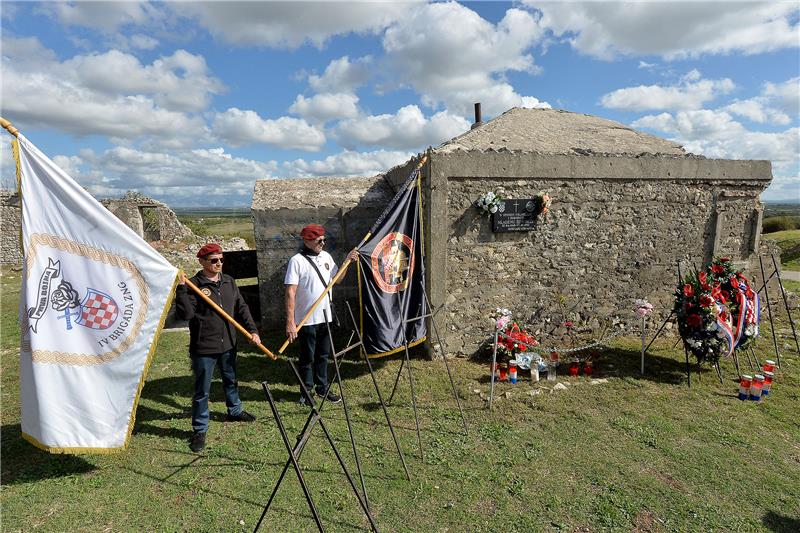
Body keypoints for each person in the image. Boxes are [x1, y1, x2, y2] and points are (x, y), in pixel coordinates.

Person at [175, 243, 261, 453]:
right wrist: (181, 289)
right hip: (204, 346)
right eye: (214, 260)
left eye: (221, 260)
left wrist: (253, 330)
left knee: (231, 379)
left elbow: (241, 307)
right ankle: (199, 428)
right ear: (202, 262)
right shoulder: (194, 285)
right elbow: (186, 315)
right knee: (202, 390)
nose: (219, 264)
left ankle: (235, 410)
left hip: (229, 343)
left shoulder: (228, 282)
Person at [285, 224, 358, 406]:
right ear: (307, 240)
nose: (322, 243)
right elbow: (290, 292)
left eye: (324, 240)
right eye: (319, 241)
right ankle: (306, 392)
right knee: (307, 357)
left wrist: (347, 262)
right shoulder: (296, 261)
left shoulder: (326, 256)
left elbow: (337, 279)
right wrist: (290, 321)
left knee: (323, 355)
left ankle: (322, 388)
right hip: (306, 319)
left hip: (326, 317)